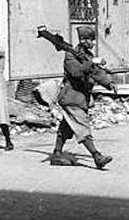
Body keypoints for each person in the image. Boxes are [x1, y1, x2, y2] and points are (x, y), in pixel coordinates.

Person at [50, 26, 116, 170]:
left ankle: (56, 154)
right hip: (72, 97)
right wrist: (92, 62)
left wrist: (109, 83)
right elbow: (76, 72)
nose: (93, 43)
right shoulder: (70, 55)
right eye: (90, 40)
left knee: (67, 127)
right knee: (82, 126)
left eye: (93, 40)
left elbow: (97, 73)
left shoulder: (88, 56)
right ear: (83, 40)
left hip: (81, 98)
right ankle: (97, 156)